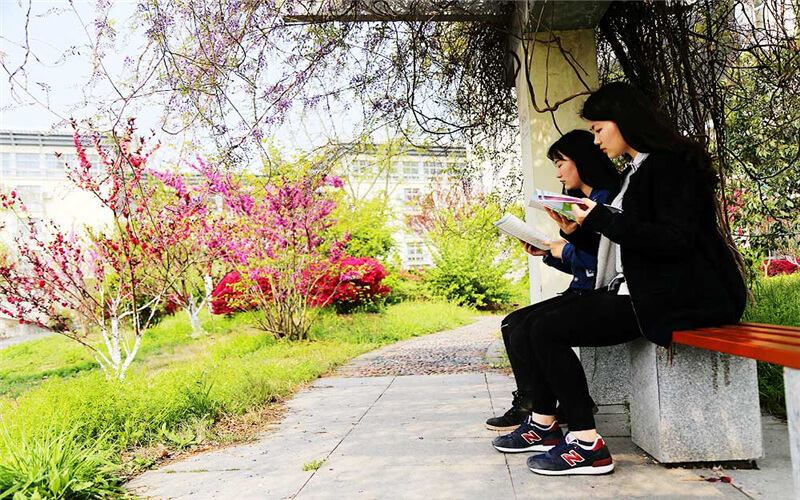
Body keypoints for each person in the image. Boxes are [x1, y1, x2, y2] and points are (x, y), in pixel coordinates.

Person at [492, 82, 747, 476]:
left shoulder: (671, 167)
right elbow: (626, 242)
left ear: (624, 120)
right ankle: (549, 427)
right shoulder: (638, 170)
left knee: (546, 330)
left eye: (598, 129)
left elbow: (675, 240)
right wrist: (581, 231)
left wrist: (601, 218)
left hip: (675, 297)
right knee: (532, 325)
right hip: (639, 290)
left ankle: (586, 444)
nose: (596, 141)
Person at [486, 130, 620, 433]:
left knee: (532, 327)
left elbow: (606, 257)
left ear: (582, 160)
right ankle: (535, 403)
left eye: (561, 163)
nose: (558, 173)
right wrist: (549, 252)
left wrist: (565, 247)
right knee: (513, 323)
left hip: (603, 293)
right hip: (583, 289)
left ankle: (550, 408)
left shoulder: (605, 201)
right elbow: (585, 260)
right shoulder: (581, 202)